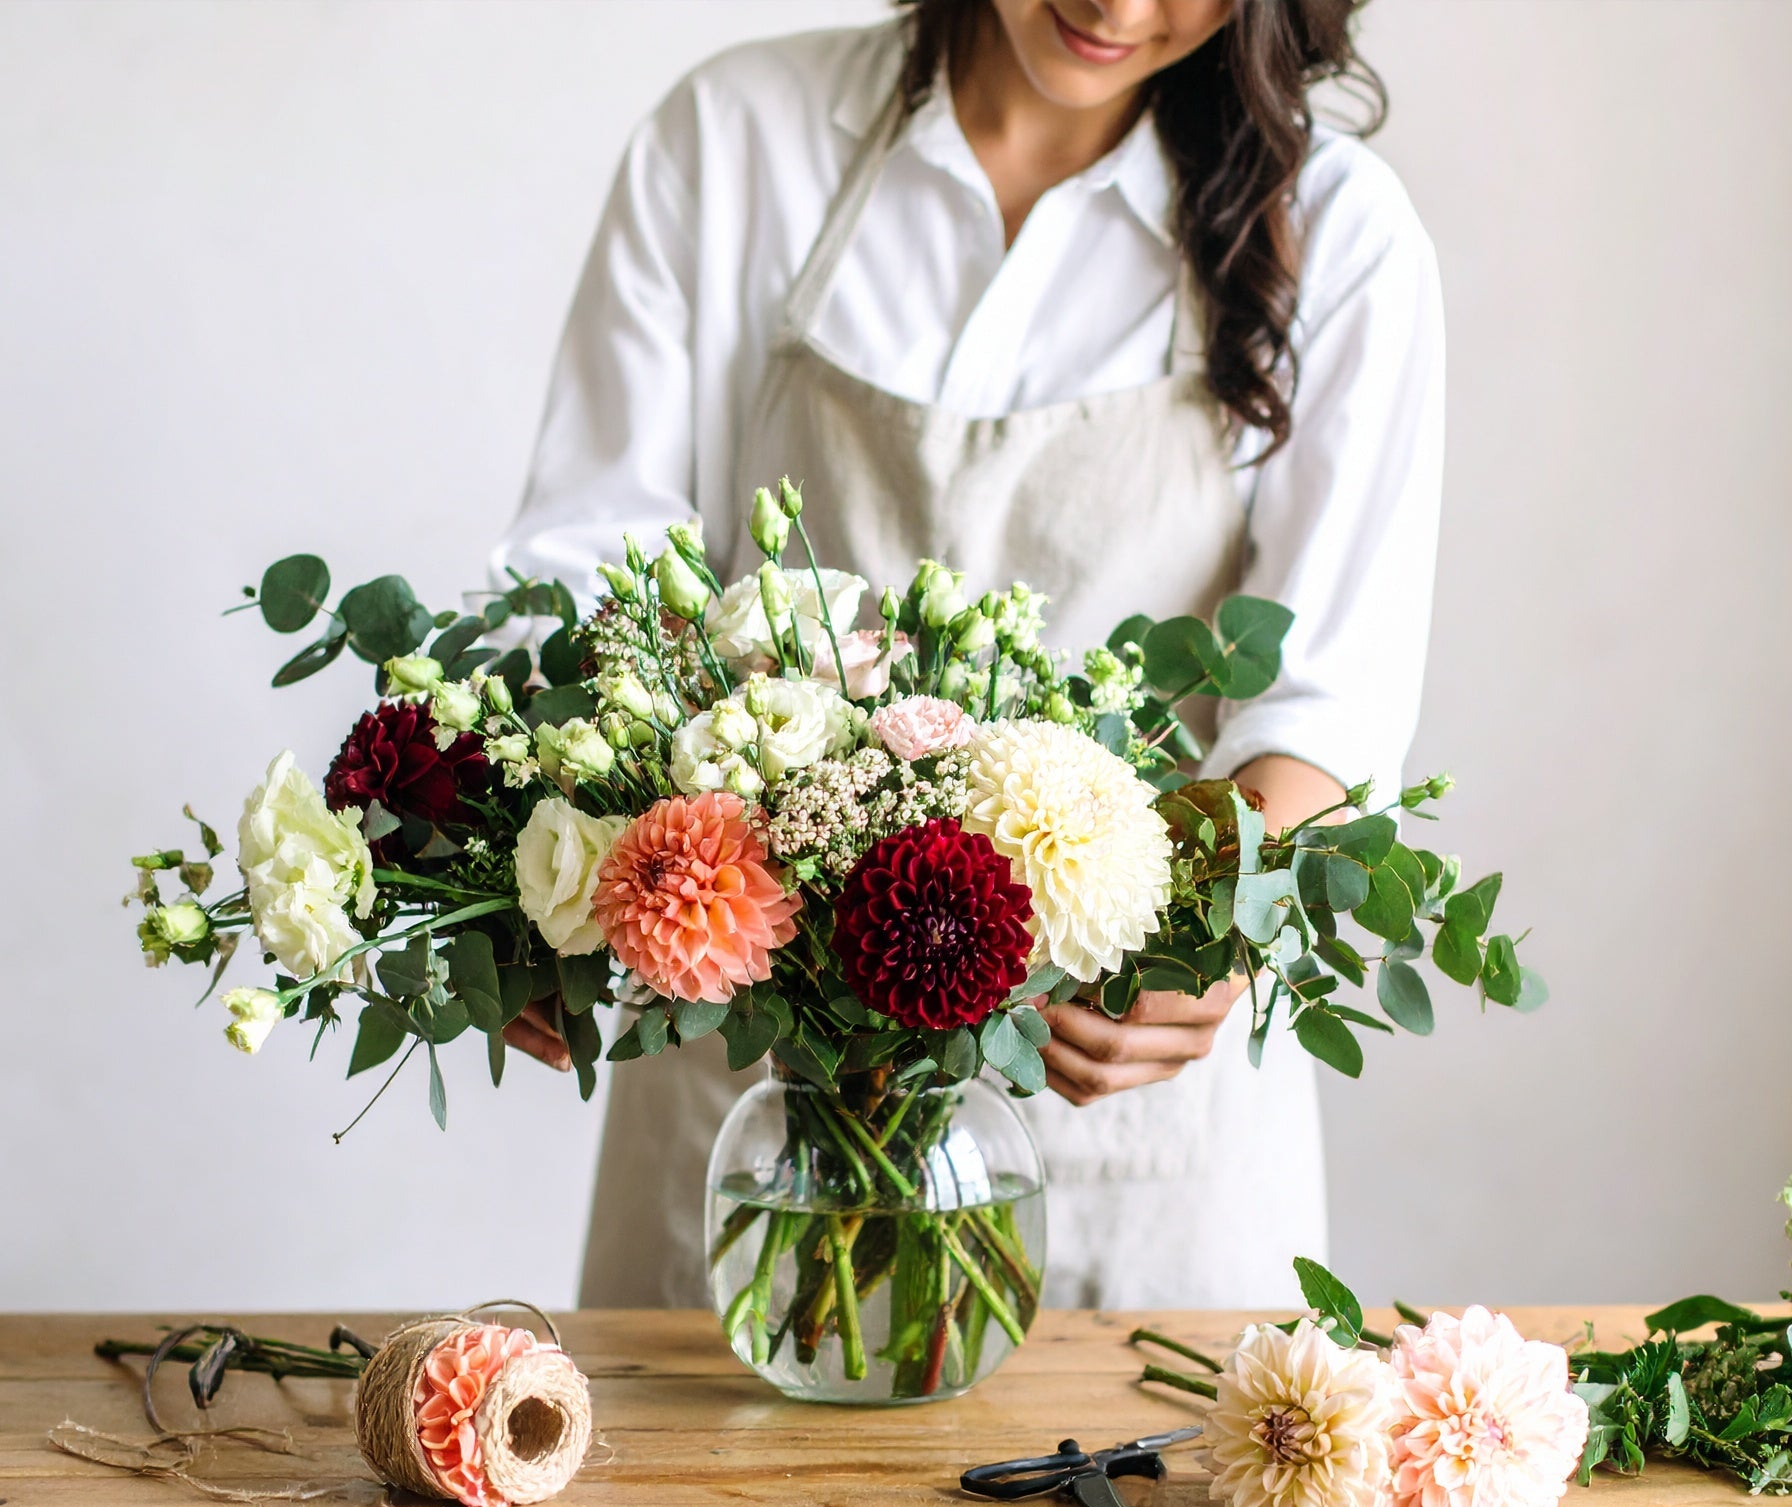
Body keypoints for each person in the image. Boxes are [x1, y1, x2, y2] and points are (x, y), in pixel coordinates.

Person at [491, 0, 1443, 1310]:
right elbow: (590, 574)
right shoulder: (740, 141)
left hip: (1116, 1116)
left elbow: (1326, 698)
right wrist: (525, 853)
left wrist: (1199, 936)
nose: (1117, 6)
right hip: (757, 1099)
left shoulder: (1336, 234)